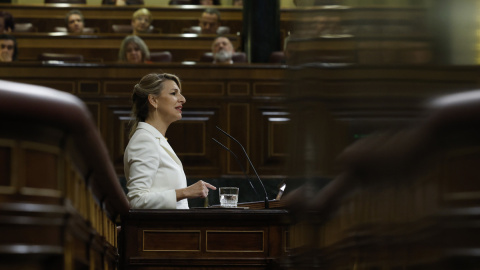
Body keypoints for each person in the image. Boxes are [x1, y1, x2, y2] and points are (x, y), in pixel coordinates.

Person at [124, 73, 216, 209]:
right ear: (153, 100)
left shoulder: (154, 139)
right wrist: (185, 192)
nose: (183, 99)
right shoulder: (144, 141)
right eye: (174, 93)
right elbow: (136, 200)